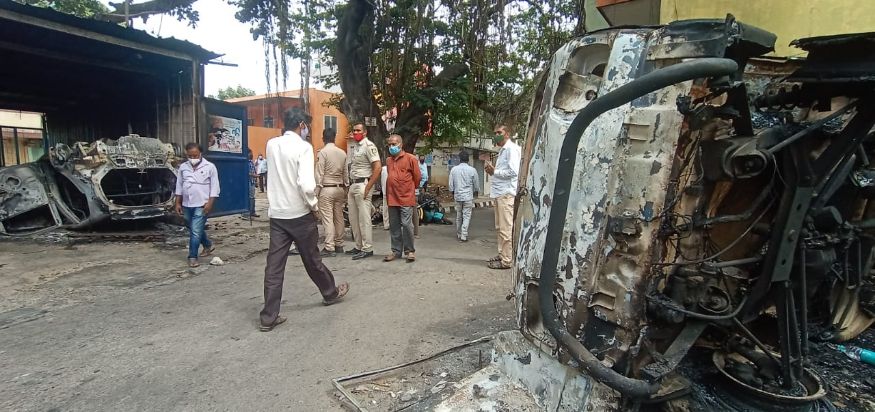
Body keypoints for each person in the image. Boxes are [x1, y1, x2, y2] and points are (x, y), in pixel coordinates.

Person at [260, 108, 349, 332]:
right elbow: (306, 185)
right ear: (301, 125)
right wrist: (314, 206)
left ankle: (269, 316)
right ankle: (330, 292)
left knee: (274, 266)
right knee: (312, 259)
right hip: (299, 213)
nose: (307, 130)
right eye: (306, 126)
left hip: (278, 214)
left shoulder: (272, 144)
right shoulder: (304, 147)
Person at [174, 143, 220, 268]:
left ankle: (192, 256)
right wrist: (177, 202)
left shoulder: (210, 167)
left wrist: (210, 203)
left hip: (202, 204)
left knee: (195, 231)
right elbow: (179, 185)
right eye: (190, 155)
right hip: (187, 204)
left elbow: (215, 188)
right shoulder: (183, 167)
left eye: (195, 155)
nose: (192, 158)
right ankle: (207, 244)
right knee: (192, 227)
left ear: (200, 154)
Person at [485, 124, 521, 270]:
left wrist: (495, 172)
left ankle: (506, 260)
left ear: (507, 134)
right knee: (500, 228)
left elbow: (514, 172)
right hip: (500, 193)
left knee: (506, 229)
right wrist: (493, 171)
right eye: (495, 133)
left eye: (499, 132)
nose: (496, 135)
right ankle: (502, 254)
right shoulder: (503, 151)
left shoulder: (511, 149)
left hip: (506, 194)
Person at [344, 123, 381, 260]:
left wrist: (368, 187)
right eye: (354, 130)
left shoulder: (369, 146)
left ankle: (367, 248)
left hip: (363, 184)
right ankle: (358, 246)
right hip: (354, 184)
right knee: (353, 218)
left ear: (365, 132)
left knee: (364, 218)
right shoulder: (356, 147)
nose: (355, 132)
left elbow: (377, 168)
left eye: (358, 130)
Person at [383, 134, 421, 262]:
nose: (391, 147)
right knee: (394, 225)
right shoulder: (388, 160)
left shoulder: (411, 159)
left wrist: (408, 188)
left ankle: (410, 251)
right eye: (389, 144)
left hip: (406, 197)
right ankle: (396, 251)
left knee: (406, 224)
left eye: (394, 144)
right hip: (392, 197)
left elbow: (417, 178)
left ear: (401, 144)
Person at [315, 127, 348, 257]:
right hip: (339, 188)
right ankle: (339, 244)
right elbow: (346, 173)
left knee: (327, 218)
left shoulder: (322, 153)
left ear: (323, 138)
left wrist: (316, 192)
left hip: (326, 188)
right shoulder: (342, 153)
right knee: (339, 217)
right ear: (334, 137)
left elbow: (319, 174)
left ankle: (329, 246)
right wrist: (346, 188)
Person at [448, 151, 480, 242]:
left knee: (459, 215)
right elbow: (476, 184)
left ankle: (458, 233)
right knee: (466, 215)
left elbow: (451, 184)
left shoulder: (454, 169)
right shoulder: (472, 170)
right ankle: (464, 235)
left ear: (459, 159)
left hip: (458, 195)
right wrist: (476, 191)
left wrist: (452, 192)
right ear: (468, 159)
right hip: (468, 196)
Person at [241, 150, 259, 220]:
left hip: (252, 182)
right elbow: (246, 172)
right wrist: (254, 175)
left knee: (252, 198)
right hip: (247, 182)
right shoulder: (245, 163)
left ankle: (252, 212)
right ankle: (245, 214)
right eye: (250, 153)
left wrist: (256, 181)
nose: (251, 154)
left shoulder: (251, 162)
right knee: (248, 198)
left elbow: (254, 171)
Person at [413, 156, 428, 238]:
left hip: (422, 186)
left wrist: (426, 183)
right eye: (421, 157)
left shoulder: (425, 165)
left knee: (421, 203)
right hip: (417, 187)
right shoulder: (417, 165)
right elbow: (419, 176)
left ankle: (422, 218)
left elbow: (425, 174)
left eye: (423, 157)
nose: (422, 159)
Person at [380, 165, 390, 230]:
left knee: (386, 209)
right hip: (390, 192)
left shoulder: (383, 169)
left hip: (385, 192)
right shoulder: (384, 169)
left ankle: (386, 224)